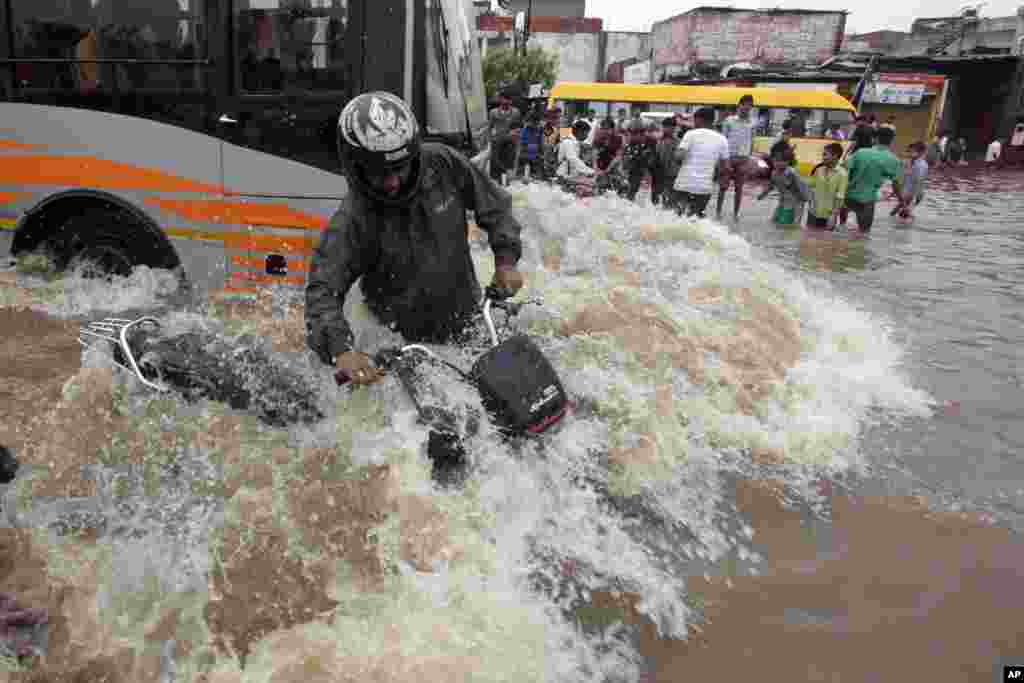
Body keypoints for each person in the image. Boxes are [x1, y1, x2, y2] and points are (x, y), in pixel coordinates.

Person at [306, 91, 525, 386]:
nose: (394, 181)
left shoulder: (442, 163)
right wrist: (342, 351)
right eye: (380, 174)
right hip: (402, 349)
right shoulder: (352, 220)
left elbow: (496, 207)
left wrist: (506, 261)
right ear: (355, 167)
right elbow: (322, 292)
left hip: (468, 321)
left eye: (400, 167)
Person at [840, 125, 902, 232]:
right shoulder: (893, 160)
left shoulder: (860, 152)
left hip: (848, 196)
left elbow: (843, 169)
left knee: (841, 228)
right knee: (863, 234)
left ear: (875, 139)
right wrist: (901, 200)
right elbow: (896, 184)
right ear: (892, 140)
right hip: (867, 200)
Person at [672, 107, 729, 219]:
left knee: (677, 218)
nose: (693, 122)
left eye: (694, 119)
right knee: (695, 220)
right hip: (704, 189)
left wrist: (676, 154)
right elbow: (725, 168)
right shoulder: (722, 139)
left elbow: (679, 157)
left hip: (684, 185)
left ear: (700, 119)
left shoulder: (690, 134)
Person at [716, 93, 757, 221]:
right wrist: (722, 159)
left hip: (743, 159)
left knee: (739, 188)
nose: (746, 109)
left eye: (749, 107)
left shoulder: (753, 123)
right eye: (745, 106)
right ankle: (718, 212)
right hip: (729, 157)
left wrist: (750, 159)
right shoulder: (729, 121)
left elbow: (752, 141)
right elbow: (722, 140)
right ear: (739, 105)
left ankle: (735, 214)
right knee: (723, 186)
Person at [757, 147, 810, 227]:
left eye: (781, 161)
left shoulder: (791, 173)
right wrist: (763, 194)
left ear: (787, 162)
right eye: (775, 161)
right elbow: (771, 186)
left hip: (794, 204)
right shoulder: (774, 173)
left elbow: (801, 189)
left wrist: (800, 210)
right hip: (783, 202)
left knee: (786, 226)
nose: (777, 163)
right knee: (773, 221)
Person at [806, 142, 848, 230]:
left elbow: (840, 196)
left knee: (825, 240)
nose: (823, 157)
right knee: (808, 240)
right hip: (813, 212)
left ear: (835, 156)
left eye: (825, 155)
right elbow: (808, 186)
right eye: (823, 155)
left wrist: (834, 215)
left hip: (829, 215)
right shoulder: (818, 170)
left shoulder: (842, 174)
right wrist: (810, 205)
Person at [617, 121, 657, 202]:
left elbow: (651, 162)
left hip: (644, 176)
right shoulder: (628, 145)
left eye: (634, 133)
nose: (631, 136)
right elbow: (622, 160)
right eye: (630, 133)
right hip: (630, 175)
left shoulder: (650, 143)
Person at [890, 141, 928, 220]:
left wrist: (913, 199)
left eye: (913, 151)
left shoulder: (921, 165)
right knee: (899, 215)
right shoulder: (910, 162)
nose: (910, 153)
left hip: (912, 195)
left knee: (897, 215)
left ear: (921, 152)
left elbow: (918, 182)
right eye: (909, 151)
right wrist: (895, 192)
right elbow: (903, 178)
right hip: (905, 193)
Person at [652, 116, 681, 210]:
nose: (666, 129)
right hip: (659, 175)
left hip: (672, 176)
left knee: (670, 201)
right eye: (664, 126)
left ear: (674, 128)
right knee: (656, 201)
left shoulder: (678, 142)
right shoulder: (658, 141)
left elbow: (678, 160)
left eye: (669, 127)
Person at [490, 120, 521, 185]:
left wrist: (514, 169)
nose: (518, 134)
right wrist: (506, 170)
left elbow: (513, 158)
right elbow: (495, 159)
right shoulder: (500, 139)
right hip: (497, 175)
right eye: (517, 132)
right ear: (510, 130)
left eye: (519, 132)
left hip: (507, 175)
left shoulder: (513, 141)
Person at [515, 113, 545, 180]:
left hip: (536, 159)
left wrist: (542, 153)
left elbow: (541, 144)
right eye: (534, 123)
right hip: (525, 159)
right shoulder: (523, 131)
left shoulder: (540, 130)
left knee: (537, 178)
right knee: (524, 177)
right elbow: (521, 146)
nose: (536, 125)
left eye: (537, 123)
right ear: (530, 121)